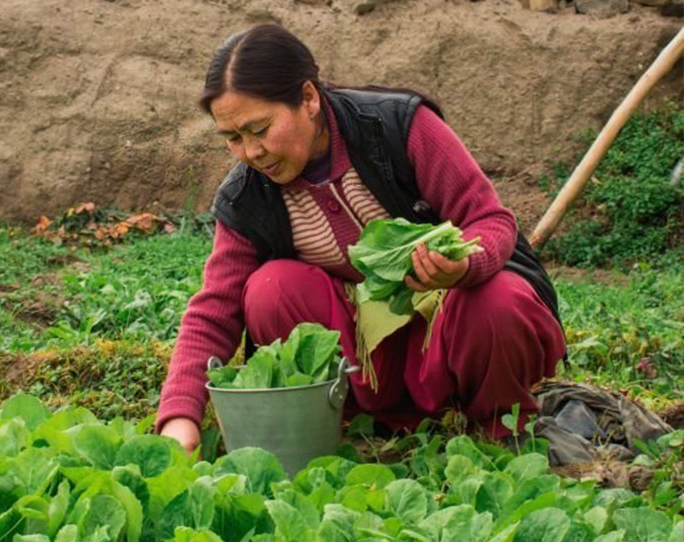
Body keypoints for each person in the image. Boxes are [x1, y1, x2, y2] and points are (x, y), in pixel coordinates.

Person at [156, 24, 567, 452]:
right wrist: (180, 418)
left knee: (494, 298)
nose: (251, 152)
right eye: (233, 138)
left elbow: (491, 220)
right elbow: (214, 308)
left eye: (260, 130)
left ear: (309, 99)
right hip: (370, 366)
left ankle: (499, 429)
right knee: (269, 288)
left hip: (452, 333)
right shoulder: (248, 197)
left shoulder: (396, 126)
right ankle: (352, 425)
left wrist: (463, 267)